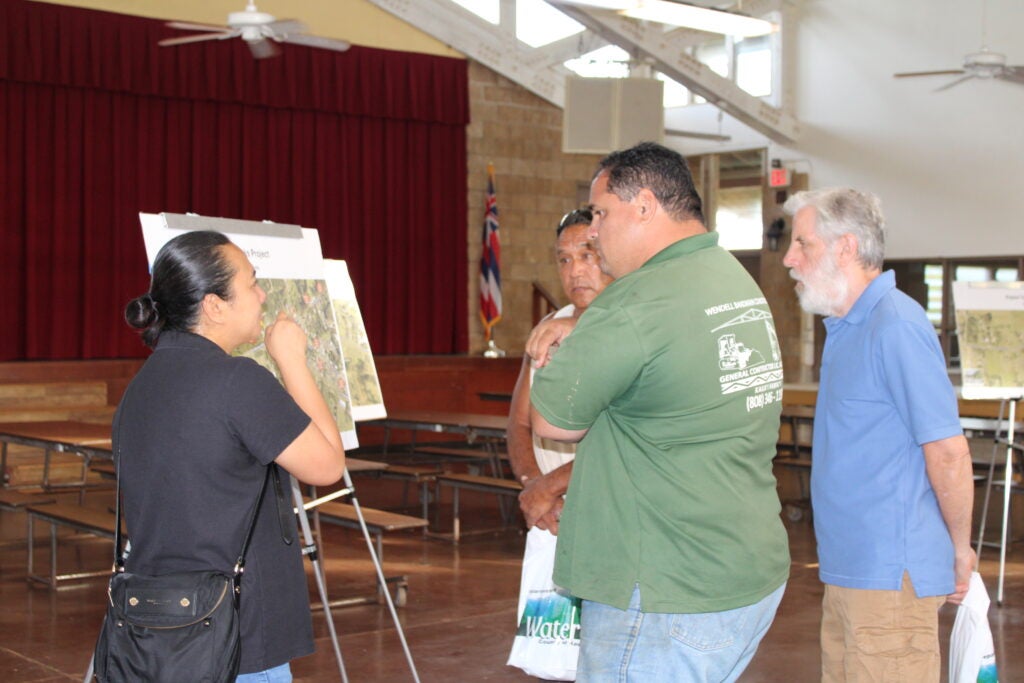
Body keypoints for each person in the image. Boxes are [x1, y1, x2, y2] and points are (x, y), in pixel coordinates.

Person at [529, 142, 790, 682]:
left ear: (644, 206)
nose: (593, 231)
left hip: (664, 589)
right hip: (740, 566)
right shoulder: (730, 277)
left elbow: (554, 420)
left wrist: (572, 340)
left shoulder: (636, 299)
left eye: (600, 213)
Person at [114, 230, 346, 683]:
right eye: (252, 283)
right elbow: (328, 466)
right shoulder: (238, 380)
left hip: (161, 634)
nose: (262, 296)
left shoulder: (140, 386)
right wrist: (292, 360)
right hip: (235, 634)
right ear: (215, 306)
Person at [781, 188, 975, 682]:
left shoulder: (896, 325)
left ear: (845, 247)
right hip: (847, 570)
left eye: (803, 243)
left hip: (891, 579)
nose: (789, 258)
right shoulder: (846, 326)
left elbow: (947, 451)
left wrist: (960, 548)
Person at [507, 208, 613, 532]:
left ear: (610, 255)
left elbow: (624, 441)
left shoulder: (630, 329)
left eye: (586, 255)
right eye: (564, 260)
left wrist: (550, 487)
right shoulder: (549, 326)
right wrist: (533, 486)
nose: (575, 271)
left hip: (608, 510)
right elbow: (519, 423)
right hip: (547, 514)